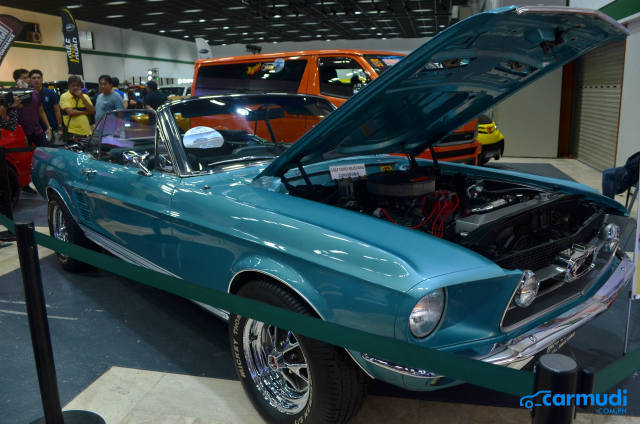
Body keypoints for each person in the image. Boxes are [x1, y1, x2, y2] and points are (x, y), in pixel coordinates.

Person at [13, 68, 51, 147]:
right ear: (17, 80)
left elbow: (41, 111)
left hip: (37, 130)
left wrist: (48, 127)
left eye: (28, 77)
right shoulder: (12, 93)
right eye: (25, 78)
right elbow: (20, 105)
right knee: (27, 156)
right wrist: (21, 88)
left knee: (44, 153)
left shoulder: (35, 92)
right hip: (22, 132)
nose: (28, 80)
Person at [29, 69, 62, 143]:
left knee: (54, 150)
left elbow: (57, 111)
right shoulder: (28, 95)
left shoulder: (50, 93)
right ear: (30, 80)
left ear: (42, 79)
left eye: (38, 77)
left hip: (52, 127)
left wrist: (60, 127)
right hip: (35, 129)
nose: (36, 80)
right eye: (34, 78)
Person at [59, 75, 95, 143]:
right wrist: (86, 112)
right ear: (69, 86)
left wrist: (81, 97)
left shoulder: (85, 96)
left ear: (81, 86)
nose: (75, 88)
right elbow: (71, 112)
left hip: (87, 132)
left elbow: (92, 111)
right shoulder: (64, 96)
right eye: (73, 85)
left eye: (78, 85)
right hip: (72, 133)